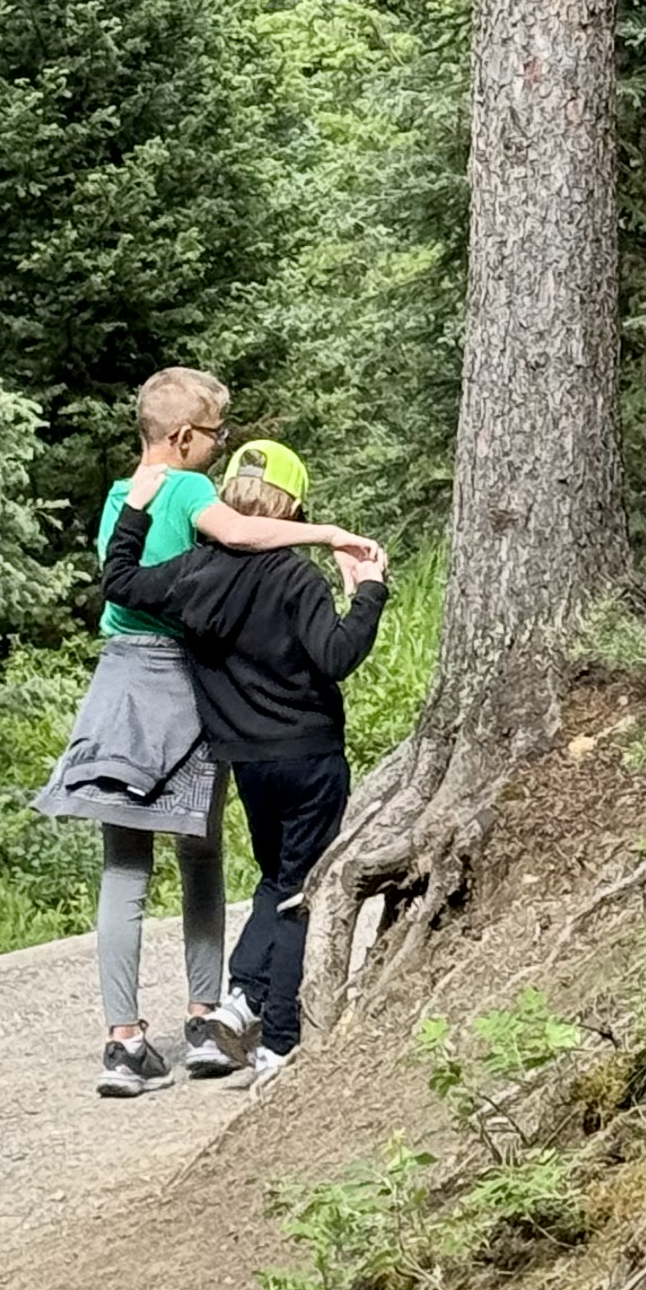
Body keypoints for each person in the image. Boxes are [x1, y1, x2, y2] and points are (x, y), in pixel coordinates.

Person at [32, 367, 367, 1096]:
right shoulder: (187, 488)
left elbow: (119, 578)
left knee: (122, 867)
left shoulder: (124, 497)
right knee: (200, 854)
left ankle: (123, 1040)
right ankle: (206, 1016)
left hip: (117, 685)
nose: (221, 446)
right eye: (217, 434)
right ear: (184, 437)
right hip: (184, 685)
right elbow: (244, 535)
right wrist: (328, 532)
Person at [98, 437, 388, 1078]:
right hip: (310, 754)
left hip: (247, 761)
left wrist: (138, 508)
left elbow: (118, 582)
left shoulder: (192, 572)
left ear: (229, 496)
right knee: (299, 889)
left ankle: (239, 996)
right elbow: (337, 656)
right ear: (291, 505)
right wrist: (368, 591)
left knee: (276, 878)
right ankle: (277, 1039)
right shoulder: (296, 577)